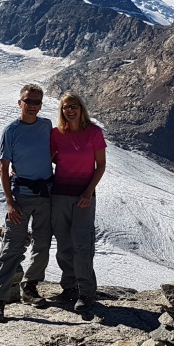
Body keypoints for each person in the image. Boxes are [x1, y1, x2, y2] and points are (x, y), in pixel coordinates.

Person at [0, 84, 54, 322]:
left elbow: (52, 153)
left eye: (37, 102)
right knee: (12, 247)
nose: (32, 106)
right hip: (21, 197)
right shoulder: (11, 131)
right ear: (20, 103)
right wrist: (9, 201)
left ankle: (30, 288)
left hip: (46, 194)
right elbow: (3, 168)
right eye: (28, 101)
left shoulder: (46, 125)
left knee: (42, 244)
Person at [49, 92, 106, 312]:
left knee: (82, 245)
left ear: (81, 108)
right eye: (65, 107)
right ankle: (69, 288)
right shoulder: (57, 134)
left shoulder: (94, 133)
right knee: (64, 246)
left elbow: (100, 165)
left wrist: (88, 192)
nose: (70, 110)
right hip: (60, 195)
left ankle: (86, 292)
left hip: (84, 197)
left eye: (74, 106)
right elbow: (48, 158)